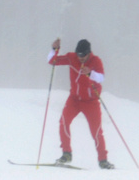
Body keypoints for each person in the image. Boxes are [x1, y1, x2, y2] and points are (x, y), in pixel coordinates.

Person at [48, 38, 114, 169]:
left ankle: (103, 160)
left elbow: (101, 77)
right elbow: (53, 61)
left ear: (89, 53)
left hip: (91, 102)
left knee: (96, 132)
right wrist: (54, 50)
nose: (81, 58)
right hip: (74, 99)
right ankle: (66, 154)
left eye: (83, 55)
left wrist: (90, 73)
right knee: (64, 122)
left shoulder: (96, 61)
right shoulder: (72, 58)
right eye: (79, 55)